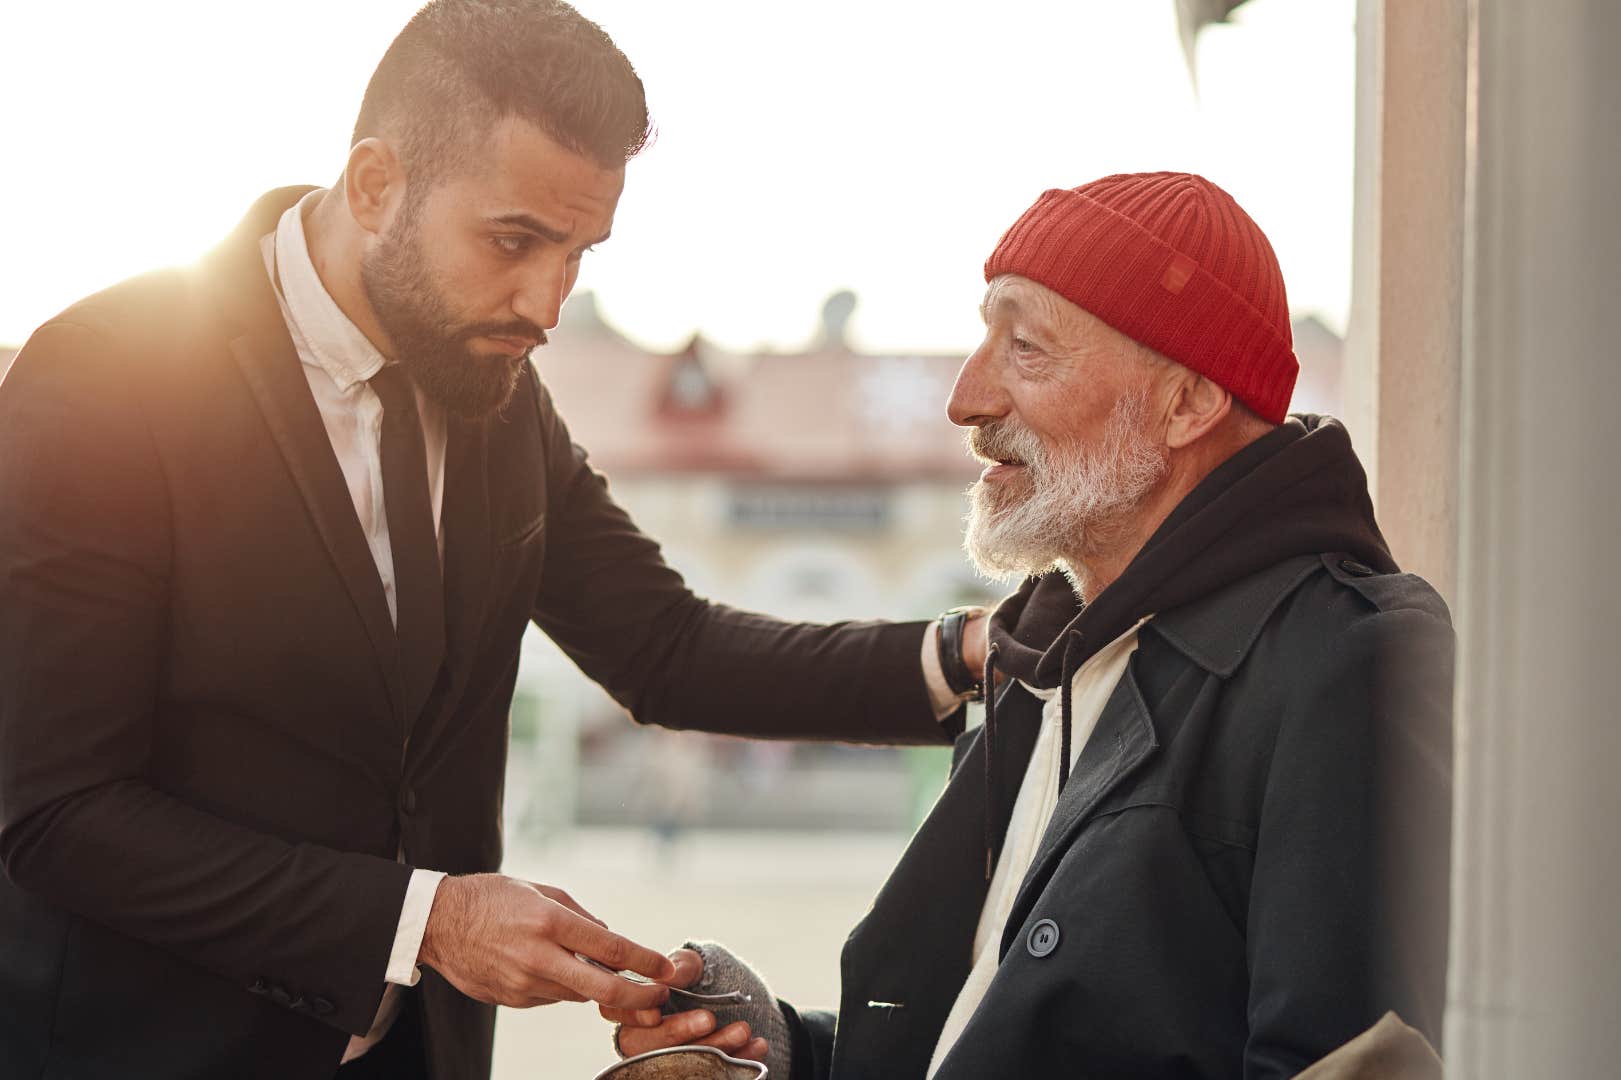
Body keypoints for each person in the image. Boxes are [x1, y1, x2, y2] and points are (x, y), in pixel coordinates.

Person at [0, 2, 986, 1077]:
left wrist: (968, 657)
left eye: (580, 252)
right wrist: (426, 922)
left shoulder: (499, 389)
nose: (548, 303)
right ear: (375, 185)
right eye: (514, 241)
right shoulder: (105, 376)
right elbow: (55, 811)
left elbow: (666, 647)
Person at [611, 172, 1455, 1078]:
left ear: (1187, 403)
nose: (966, 399)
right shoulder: (1047, 650)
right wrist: (787, 1052)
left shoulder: (1349, 659)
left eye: (1027, 349)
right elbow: (990, 1028)